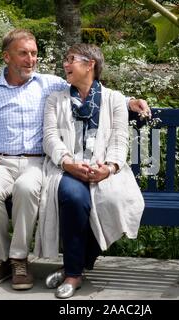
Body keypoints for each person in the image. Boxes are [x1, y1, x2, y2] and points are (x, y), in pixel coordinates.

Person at [0, 28, 150, 291]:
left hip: (35, 163)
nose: (31, 60)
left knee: (27, 188)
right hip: (2, 161)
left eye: (34, 54)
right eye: (23, 54)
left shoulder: (48, 83)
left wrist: (129, 102)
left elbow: (96, 90)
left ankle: (21, 259)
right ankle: (3, 257)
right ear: (6, 57)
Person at [34, 43, 145, 299]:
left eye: (71, 59)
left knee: (109, 199)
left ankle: (75, 266)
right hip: (67, 169)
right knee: (74, 198)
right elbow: (50, 137)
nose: (65, 64)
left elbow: (120, 140)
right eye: (65, 60)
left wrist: (110, 167)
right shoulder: (56, 99)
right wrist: (68, 162)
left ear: (90, 64)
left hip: (103, 169)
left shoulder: (115, 100)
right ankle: (74, 274)